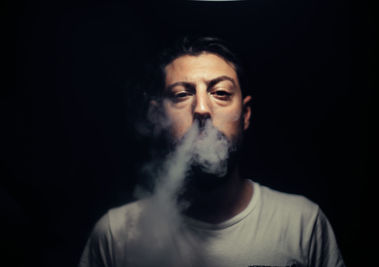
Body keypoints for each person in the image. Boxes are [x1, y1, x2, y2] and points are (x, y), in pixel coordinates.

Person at [79, 36, 345, 267]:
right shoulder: (116, 234)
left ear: (246, 114)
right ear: (158, 113)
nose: (202, 109)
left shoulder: (302, 224)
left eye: (220, 92)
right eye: (182, 95)